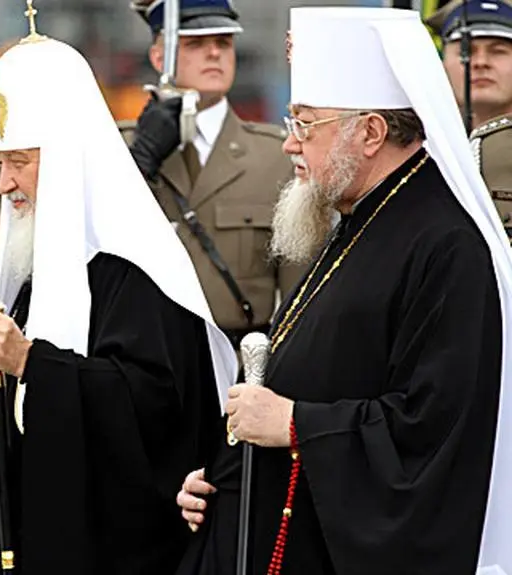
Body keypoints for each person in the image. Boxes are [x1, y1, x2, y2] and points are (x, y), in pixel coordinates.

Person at [174, 7, 512, 575]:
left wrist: (291, 424)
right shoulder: (361, 217)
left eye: (304, 124)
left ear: (371, 132)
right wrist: (223, 477)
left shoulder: (446, 245)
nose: (289, 144)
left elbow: (431, 434)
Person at [0, 7, 237, 574]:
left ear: (67, 163)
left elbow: (155, 414)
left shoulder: (138, 270)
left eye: (19, 161)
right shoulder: (35, 267)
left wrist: (31, 362)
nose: (5, 183)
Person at [121, 0, 304, 351]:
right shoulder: (120, 149)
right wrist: (140, 160)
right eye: (195, 44)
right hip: (144, 363)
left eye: (223, 43)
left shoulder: (275, 155)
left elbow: (298, 292)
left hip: (238, 365)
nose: (214, 54)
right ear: (159, 57)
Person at [426, 0, 512, 238]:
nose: (480, 62)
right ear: (443, 64)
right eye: (467, 50)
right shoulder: (423, 150)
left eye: (498, 51)